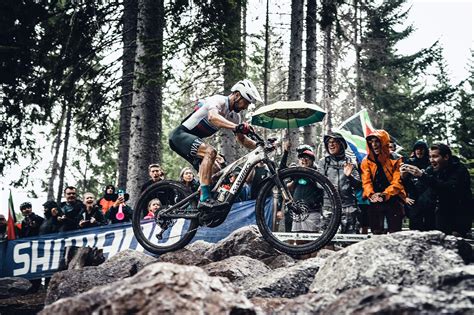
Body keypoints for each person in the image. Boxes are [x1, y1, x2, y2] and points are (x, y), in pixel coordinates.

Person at [169, 79, 262, 209]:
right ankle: (205, 198)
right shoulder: (218, 100)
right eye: (245, 102)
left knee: (217, 171)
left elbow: (242, 139)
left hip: (192, 140)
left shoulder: (234, 116)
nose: (245, 107)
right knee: (210, 152)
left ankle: (199, 205)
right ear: (236, 95)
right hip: (179, 136)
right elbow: (213, 117)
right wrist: (237, 127)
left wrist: (259, 145)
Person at [403, 143, 472, 237]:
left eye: (435, 156)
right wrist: (405, 178)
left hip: (457, 218)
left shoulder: (459, 170)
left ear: (446, 157)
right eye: (430, 157)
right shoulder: (431, 169)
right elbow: (417, 190)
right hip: (438, 217)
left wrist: (422, 176)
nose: (431, 160)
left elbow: (448, 188)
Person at [360, 130, 406, 234]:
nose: (374, 144)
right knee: (376, 233)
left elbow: (397, 182)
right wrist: (371, 195)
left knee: (395, 233)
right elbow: (366, 181)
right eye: (371, 142)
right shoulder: (366, 161)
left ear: (384, 142)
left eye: (377, 141)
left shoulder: (396, 159)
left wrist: (385, 194)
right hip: (375, 200)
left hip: (394, 199)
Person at [318, 132, 362, 234]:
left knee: (350, 238)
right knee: (327, 239)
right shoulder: (323, 162)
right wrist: (330, 186)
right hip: (329, 206)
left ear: (341, 144)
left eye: (334, 142)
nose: (331, 144)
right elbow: (318, 183)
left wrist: (349, 176)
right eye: (329, 142)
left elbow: (358, 184)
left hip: (348, 206)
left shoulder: (350, 161)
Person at [400, 140, 435, 231]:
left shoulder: (431, 162)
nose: (419, 151)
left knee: (430, 225)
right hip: (413, 197)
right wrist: (405, 197)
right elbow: (402, 182)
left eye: (421, 149)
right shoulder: (409, 162)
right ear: (414, 151)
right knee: (415, 226)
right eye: (417, 149)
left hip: (429, 198)